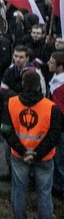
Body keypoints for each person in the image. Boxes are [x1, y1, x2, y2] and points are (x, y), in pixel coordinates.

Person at [2, 70, 62, 219]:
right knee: (44, 192)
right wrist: (38, 153)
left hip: (19, 155)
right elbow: (54, 135)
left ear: (23, 84)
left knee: (18, 190)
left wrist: (23, 151)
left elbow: (6, 130)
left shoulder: (11, 103)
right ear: (38, 86)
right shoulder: (51, 107)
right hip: (44, 157)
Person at [48, 51, 64, 199]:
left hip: (60, 129)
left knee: (60, 161)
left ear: (60, 67)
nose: (48, 64)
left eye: (51, 63)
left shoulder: (60, 87)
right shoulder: (56, 81)